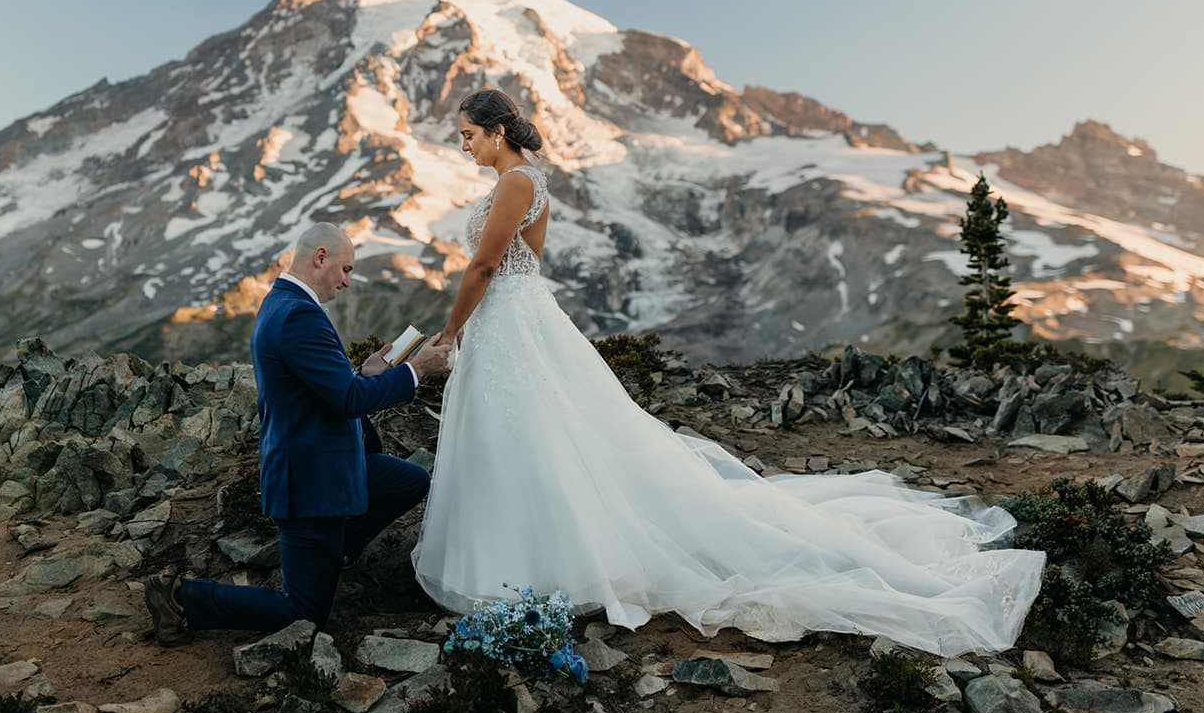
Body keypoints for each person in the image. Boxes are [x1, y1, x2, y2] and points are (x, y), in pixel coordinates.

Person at [409, 89, 1046, 657]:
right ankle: (535, 560)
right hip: (517, 318)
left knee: (529, 437)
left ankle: (531, 566)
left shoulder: (516, 182)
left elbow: (487, 265)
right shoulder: (523, 181)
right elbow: (521, 263)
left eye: (468, 134)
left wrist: (451, 331)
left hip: (509, 319)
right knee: (532, 439)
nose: (464, 146)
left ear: (497, 131)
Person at [144, 222, 451, 644]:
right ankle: (181, 598)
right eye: (345, 269)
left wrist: (365, 373)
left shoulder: (283, 303)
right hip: (310, 481)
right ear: (320, 257)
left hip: (328, 461)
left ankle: (334, 552)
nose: (347, 281)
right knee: (304, 613)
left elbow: (321, 386)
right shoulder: (299, 316)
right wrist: (416, 371)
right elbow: (348, 401)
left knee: (408, 480)